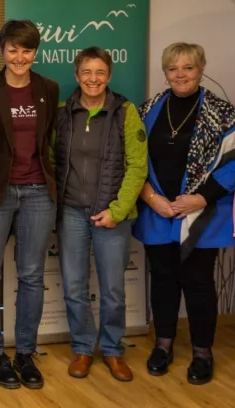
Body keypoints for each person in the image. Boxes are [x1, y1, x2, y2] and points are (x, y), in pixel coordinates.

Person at [133, 43, 235, 385]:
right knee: (163, 280)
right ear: (165, 72)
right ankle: (163, 345)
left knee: (198, 284)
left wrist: (199, 199)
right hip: (157, 211)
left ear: (201, 68)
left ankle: (202, 352)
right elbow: (132, 161)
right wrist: (153, 200)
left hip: (202, 215)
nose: (180, 74)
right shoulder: (147, 109)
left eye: (188, 67)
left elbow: (234, 163)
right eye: (173, 68)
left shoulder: (223, 112)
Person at [0, 20, 58, 390]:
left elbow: (51, 138)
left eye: (27, 50)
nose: (19, 57)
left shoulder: (48, 89)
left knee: (32, 276)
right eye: (13, 49)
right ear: (1, 50)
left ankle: (25, 352)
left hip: (39, 190)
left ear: (35, 52)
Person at [53, 46, 147, 382]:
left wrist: (118, 210)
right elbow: (52, 161)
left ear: (109, 75)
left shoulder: (125, 111)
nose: (94, 79)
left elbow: (138, 167)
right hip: (72, 214)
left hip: (112, 215)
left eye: (100, 72)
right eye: (87, 72)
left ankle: (112, 350)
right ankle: (82, 348)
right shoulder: (63, 113)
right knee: (75, 287)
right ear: (77, 76)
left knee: (112, 290)